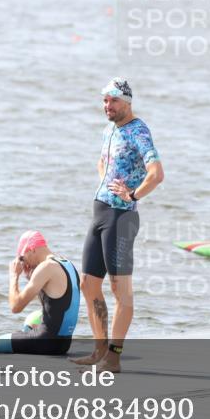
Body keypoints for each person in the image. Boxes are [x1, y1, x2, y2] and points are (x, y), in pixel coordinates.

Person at [73, 78, 163, 373]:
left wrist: (133, 193)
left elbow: (157, 173)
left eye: (113, 101)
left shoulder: (139, 131)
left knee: (119, 288)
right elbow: (103, 163)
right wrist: (106, 182)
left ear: (127, 102)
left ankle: (114, 355)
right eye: (104, 101)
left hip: (121, 217)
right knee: (88, 284)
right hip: (100, 212)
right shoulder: (109, 129)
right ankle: (99, 348)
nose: (107, 106)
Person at [0, 230, 81, 358]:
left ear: (31, 249)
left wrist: (13, 276)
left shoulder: (45, 267)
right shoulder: (66, 263)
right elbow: (56, 305)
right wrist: (31, 277)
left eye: (22, 257)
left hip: (47, 343)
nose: (23, 263)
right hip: (64, 344)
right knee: (31, 320)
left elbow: (15, 307)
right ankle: (22, 339)